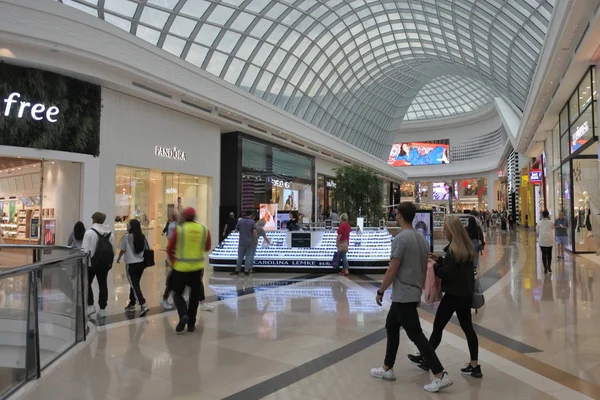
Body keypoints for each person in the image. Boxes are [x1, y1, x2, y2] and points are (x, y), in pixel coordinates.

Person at [371, 202, 452, 393]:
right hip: (409, 293)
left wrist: (381, 290)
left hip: (403, 294)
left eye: (396, 213)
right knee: (391, 326)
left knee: (415, 334)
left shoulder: (400, 239)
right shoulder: (422, 240)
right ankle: (387, 368)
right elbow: (424, 269)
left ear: (399, 215)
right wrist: (418, 291)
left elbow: (393, 268)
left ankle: (440, 374)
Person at [407, 216, 482, 379]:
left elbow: (448, 275)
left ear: (452, 231)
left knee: (438, 326)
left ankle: (427, 360)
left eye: (446, 229)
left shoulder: (453, 250)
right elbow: (456, 268)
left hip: (453, 295)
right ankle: (475, 365)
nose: (444, 231)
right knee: (468, 328)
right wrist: (440, 260)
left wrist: (435, 267)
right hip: (465, 294)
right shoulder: (466, 248)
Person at [166, 207, 212, 333]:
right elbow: (207, 247)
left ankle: (183, 315)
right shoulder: (204, 229)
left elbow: (169, 248)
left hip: (180, 269)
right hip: (197, 269)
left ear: (184, 217)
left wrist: (173, 261)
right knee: (194, 297)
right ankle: (191, 324)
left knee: (177, 294)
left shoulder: (180, 230)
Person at [82, 212, 115, 318]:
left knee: (87, 284)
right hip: (104, 264)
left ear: (94, 220)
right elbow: (113, 250)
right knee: (103, 285)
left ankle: (90, 306)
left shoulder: (89, 233)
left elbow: (84, 250)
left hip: (91, 264)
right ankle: (102, 309)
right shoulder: (110, 234)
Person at [116, 219, 150, 316]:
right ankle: (132, 303)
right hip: (141, 264)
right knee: (134, 283)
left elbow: (122, 249)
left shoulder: (126, 237)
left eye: (128, 224)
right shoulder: (142, 237)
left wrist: (119, 258)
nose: (127, 226)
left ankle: (143, 304)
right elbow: (147, 249)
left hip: (131, 264)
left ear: (131, 227)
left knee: (134, 285)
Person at [231, 209, 257, 276]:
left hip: (241, 242)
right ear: (251, 215)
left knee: (240, 257)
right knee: (248, 256)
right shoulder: (252, 222)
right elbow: (254, 232)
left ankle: (237, 270)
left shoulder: (240, 221)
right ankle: (246, 271)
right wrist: (255, 240)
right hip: (250, 242)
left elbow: (236, 230)